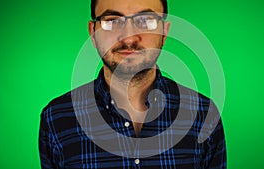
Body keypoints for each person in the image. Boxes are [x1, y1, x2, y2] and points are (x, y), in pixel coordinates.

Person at [38, 0, 226, 168]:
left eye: (145, 21)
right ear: (93, 32)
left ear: (164, 32)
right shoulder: (56, 119)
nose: (129, 38)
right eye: (112, 21)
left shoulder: (204, 115)